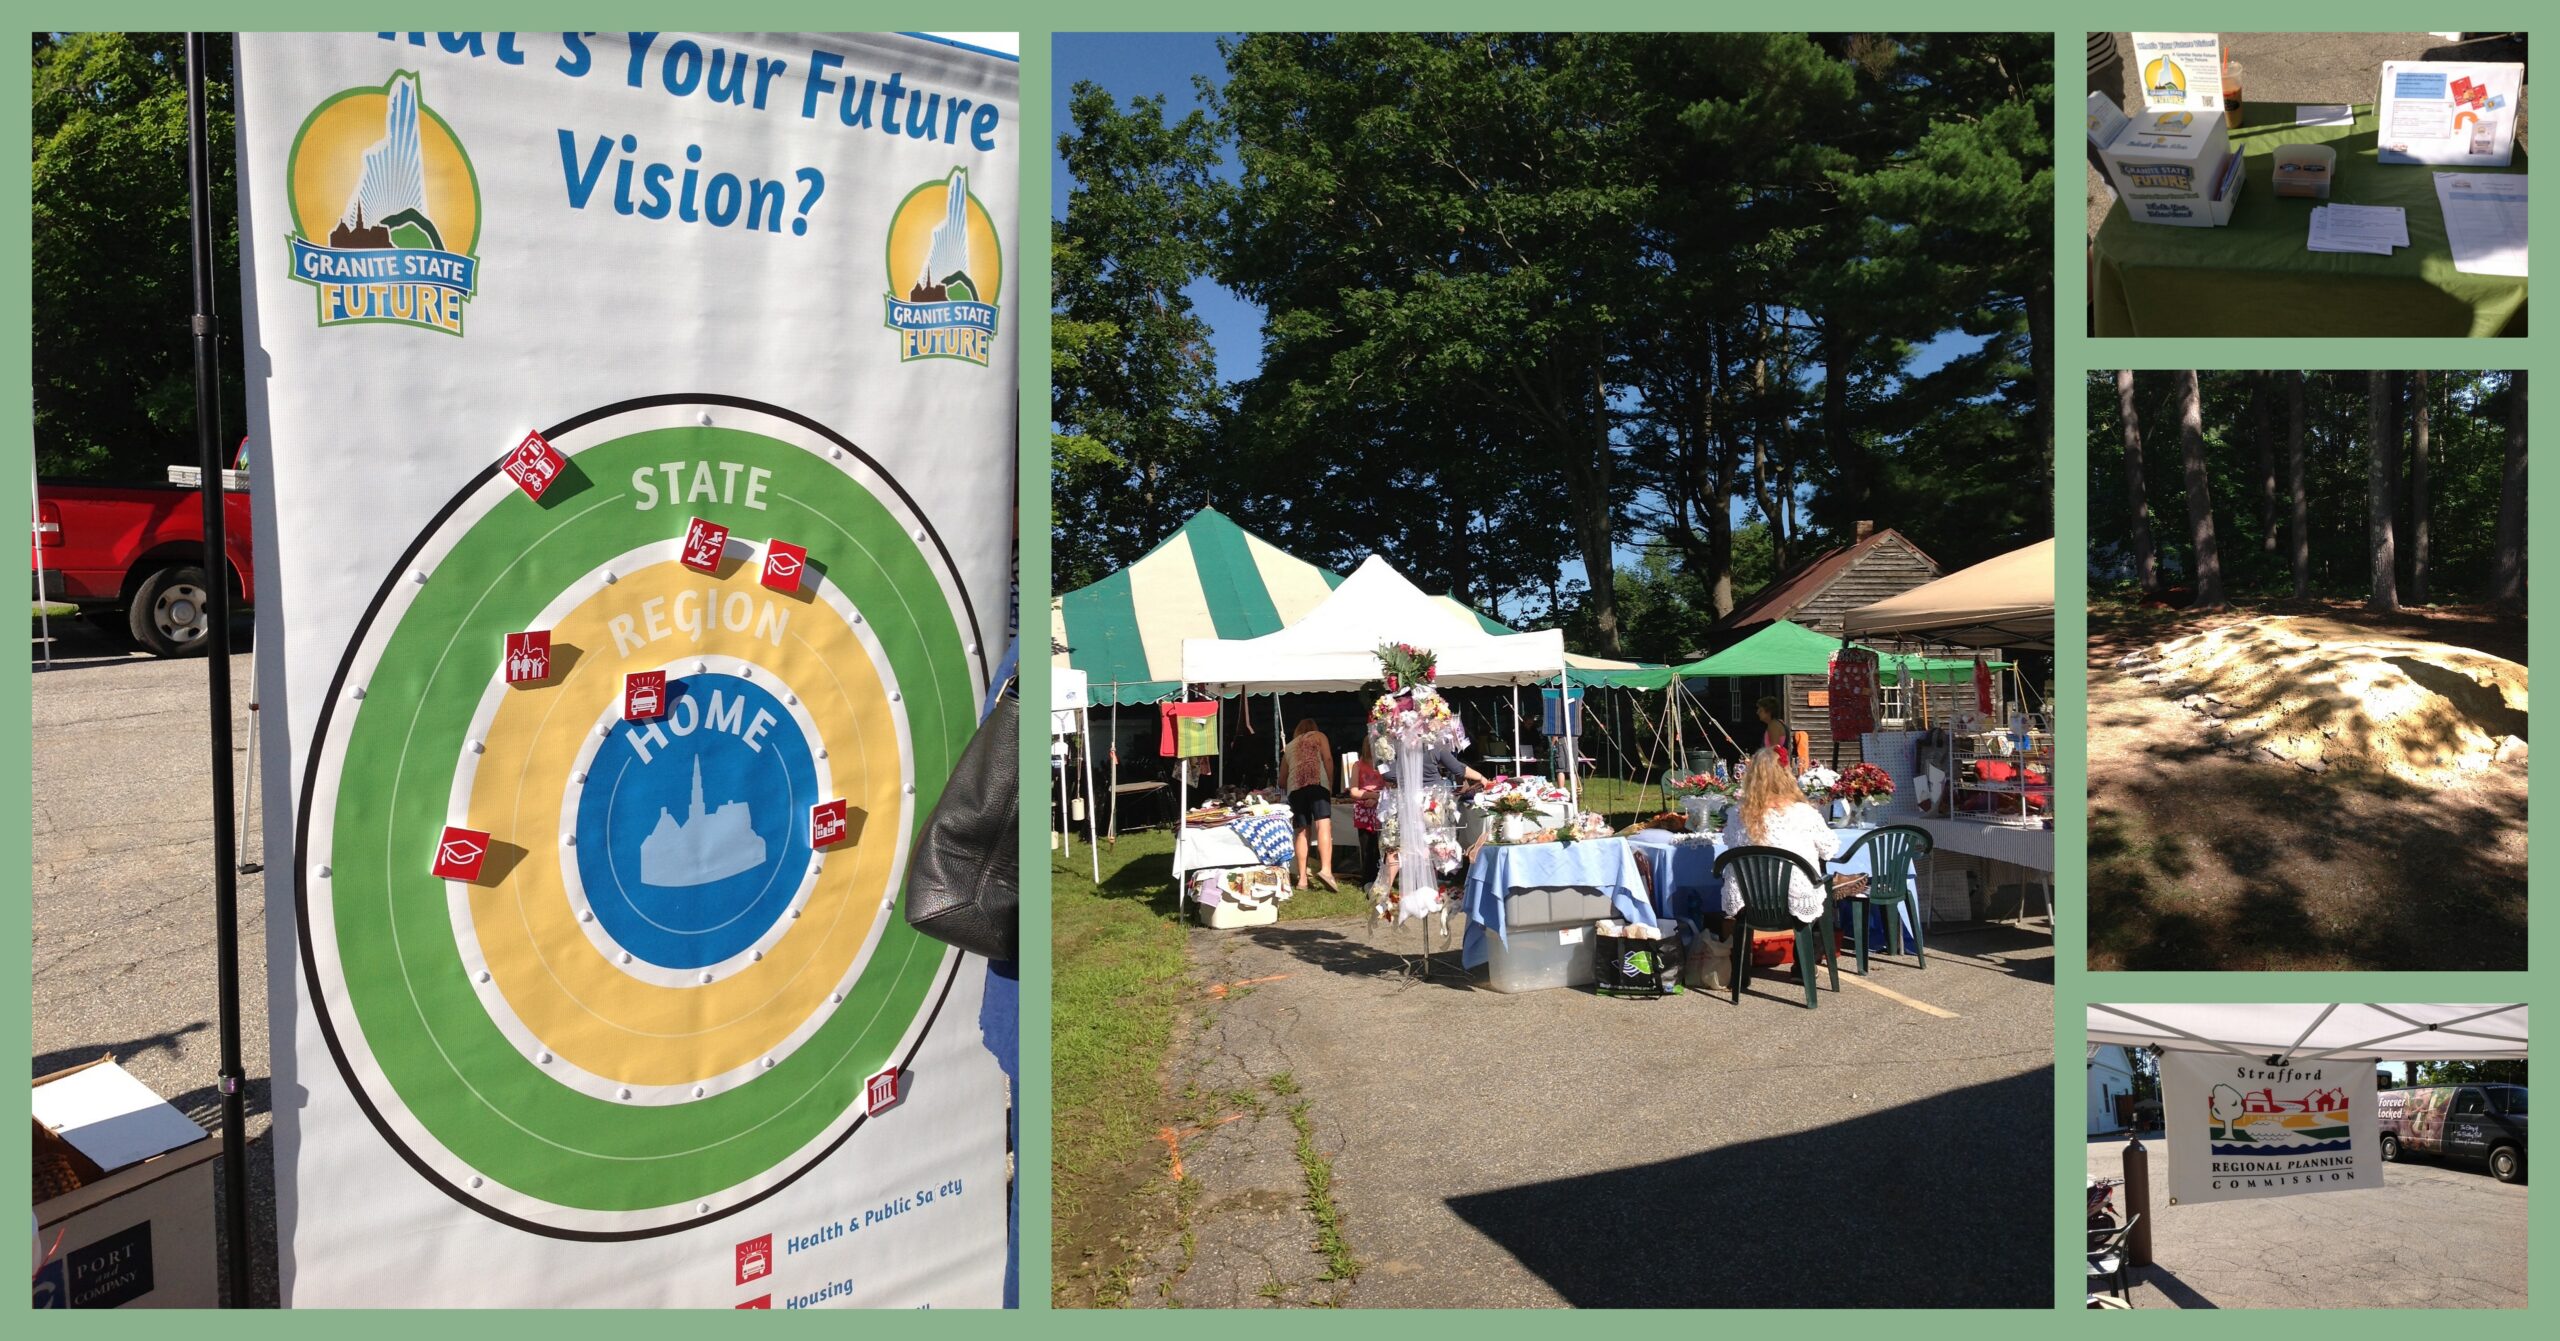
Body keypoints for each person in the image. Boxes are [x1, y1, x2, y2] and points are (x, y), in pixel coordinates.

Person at [1718, 748, 1847, 927]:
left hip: (1750, 900)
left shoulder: (1737, 815)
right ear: (1786, 776)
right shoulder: (1804, 813)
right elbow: (1829, 850)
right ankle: (1813, 945)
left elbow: (1732, 845)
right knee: (1821, 880)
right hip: (1793, 900)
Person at [1282, 718, 1339, 890]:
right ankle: (1326, 871)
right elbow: (1328, 760)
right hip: (1316, 784)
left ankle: (1302, 880)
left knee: (1301, 831)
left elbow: (1281, 779)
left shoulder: (1289, 747)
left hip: (1296, 789)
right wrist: (1329, 783)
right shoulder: (1319, 736)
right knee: (1323, 826)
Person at [1347, 751, 1386, 880]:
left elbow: (1389, 787)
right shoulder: (1358, 765)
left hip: (1381, 807)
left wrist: (1376, 799)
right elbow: (1353, 791)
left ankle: (1381, 876)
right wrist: (1373, 796)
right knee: (1366, 845)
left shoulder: (1384, 764)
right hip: (1364, 809)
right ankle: (1368, 878)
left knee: (1381, 845)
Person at [1755, 695, 1793, 768]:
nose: (1757, 712)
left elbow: (1774, 751)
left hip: (1774, 767)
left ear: (1768, 712)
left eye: (1760, 710)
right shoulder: (1778, 723)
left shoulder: (1773, 725)